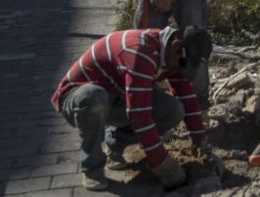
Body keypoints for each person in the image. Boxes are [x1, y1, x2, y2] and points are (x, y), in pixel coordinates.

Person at [51, 25, 217, 191]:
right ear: (176, 45)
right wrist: (160, 162)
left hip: (116, 95)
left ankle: (114, 143)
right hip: (77, 97)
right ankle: (92, 169)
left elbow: (187, 98)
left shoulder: (173, 55)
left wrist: (200, 142)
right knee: (94, 98)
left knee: (173, 110)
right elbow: (139, 115)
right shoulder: (140, 53)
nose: (181, 69)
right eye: (182, 64)